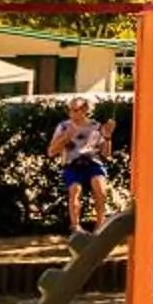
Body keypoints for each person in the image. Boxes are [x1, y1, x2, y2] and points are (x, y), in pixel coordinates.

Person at [46, 97, 113, 234]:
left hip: (92, 163)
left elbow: (106, 154)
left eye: (75, 110)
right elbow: (51, 152)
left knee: (99, 187)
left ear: (85, 110)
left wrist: (107, 138)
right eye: (70, 110)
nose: (72, 114)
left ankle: (100, 225)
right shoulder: (64, 126)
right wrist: (65, 137)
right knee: (75, 190)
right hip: (72, 164)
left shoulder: (95, 126)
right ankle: (76, 227)